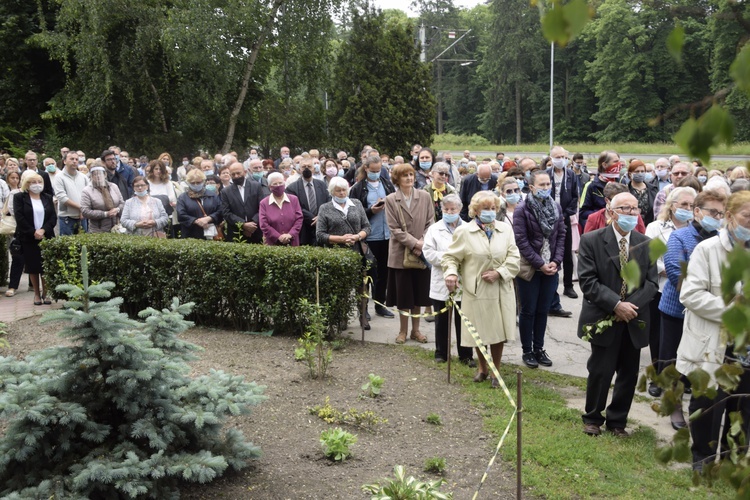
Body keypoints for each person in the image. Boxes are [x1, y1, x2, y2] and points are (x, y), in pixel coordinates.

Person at [677, 191, 750, 471]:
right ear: (729, 217)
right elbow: (691, 295)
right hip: (713, 342)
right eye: (747, 216)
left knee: (743, 406)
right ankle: (703, 459)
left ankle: (734, 458)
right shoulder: (707, 250)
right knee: (708, 402)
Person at [577, 193, 658, 437]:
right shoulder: (591, 240)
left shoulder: (646, 243)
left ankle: (617, 421)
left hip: (634, 319)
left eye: (635, 210)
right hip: (603, 315)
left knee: (628, 373)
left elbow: (651, 283)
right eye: (625, 209)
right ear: (611, 212)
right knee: (601, 371)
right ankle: (593, 417)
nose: (631, 214)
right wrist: (615, 305)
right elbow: (588, 281)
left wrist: (629, 307)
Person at [656, 189, 726, 427]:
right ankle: (674, 407)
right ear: (696, 212)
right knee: (672, 360)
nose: (716, 217)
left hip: (708, 315)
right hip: (676, 309)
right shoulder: (680, 237)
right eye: (711, 212)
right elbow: (676, 272)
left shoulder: (723, 240)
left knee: (701, 360)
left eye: (720, 213)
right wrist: (703, 295)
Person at [443, 191, 520, 387]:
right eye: (486, 208)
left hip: (501, 289)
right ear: (476, 210)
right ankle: (482, 368)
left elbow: (514, 257)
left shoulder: (505, 229)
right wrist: (451, 273)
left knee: (498, 332)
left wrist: (500, 272)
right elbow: (450, 257)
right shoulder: (464, 232)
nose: (490, 212)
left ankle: (496, 371)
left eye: (493, 208)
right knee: (479, 331)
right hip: (476, 290)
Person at [644, 186, 697, 401]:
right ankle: (658, 378)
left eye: (692, 206)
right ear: (672, 205)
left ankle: (682, 378)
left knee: (685, 337)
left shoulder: (696, 230)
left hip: (688, 291)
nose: (687, 209)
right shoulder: (656, 227)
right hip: (660, 287)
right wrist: (666, 267)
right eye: (683, 204)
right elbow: (648, 256)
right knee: (659, 338)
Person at [514, 170, 566, 368]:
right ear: (532, 187)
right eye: (542, 185)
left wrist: (556, 261)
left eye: (548, 185)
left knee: (543, 310)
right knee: (528, 310)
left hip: (550, 267)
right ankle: (527, 350)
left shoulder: (556, 207)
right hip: (530, 268)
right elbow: (522, 242)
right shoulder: (522, 209)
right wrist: (540, 264)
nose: (546, 188)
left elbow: (561, 235)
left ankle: (539, 348)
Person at [384, 163, 434, 344]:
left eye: (411, 174)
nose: (409, 178)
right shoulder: (391, 199)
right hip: (400, 255)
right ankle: (402, 331)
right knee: (404, 296)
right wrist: (415, 243)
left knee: (419, 294)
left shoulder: (425, 196)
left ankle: (416, 330)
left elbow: (431, 222)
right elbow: (394, 229)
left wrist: (423, 242)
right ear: (397, 179)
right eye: (405, 175)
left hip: (422, 253)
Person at [423, 194, 475, 366]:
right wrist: (450, 258)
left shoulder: (469, 228)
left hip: (463, 280)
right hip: (441, 280)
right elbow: (429, 253)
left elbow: (474, 252)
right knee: (442, 320)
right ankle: (441, 353)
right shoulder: (434, 229)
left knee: (464, 321)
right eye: (446, 209)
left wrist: (460, 260)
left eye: (453, 209)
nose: (449, 212)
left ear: (460, 210)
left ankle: (466, 355)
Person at [316, 176, 372, 329]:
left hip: (357, 252)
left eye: (344, 190)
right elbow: (320, 235)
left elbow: (367, 227)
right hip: (336, 255)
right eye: (338, 190)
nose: (342, 193)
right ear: (331, 192)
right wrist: (340, 239)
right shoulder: (325, 208)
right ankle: (341, 317)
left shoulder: (357, 204)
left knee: (361, 286)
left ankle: (363, 316)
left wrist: (357, 236)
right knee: (341, 288)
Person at [349, 155, 396, 319]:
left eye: (378, 170)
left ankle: (380, 304)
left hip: (387, 235)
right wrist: (371, 210)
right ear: (366, 168)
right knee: (367, 273)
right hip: (368, 236)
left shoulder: (386, 183)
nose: (376, 173)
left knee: (384, 273)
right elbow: (354, 212)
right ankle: (364, 308)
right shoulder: (358, 187)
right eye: (373, 170)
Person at [13, 173, 56, 305]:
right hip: (28, 237)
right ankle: (36, 294)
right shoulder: (19, 197)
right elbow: (19, 217)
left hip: (46, 236)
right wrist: (33, 232)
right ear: (27, 184)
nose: (37, 184)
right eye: (33, 182)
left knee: (45, 266)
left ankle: (46, 292)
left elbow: (52, 218)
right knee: (33, 266)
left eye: (39, 181)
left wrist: (43, 230)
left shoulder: (47, 197)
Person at [548, 146, 579, 299]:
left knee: (567, 253)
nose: (561, 159)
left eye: (563, 156)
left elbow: (575, 198)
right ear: (551, 158)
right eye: (557, 156)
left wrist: (565, 215)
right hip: (548, 219)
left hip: (565, 218)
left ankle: (568, 285)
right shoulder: (546, 175)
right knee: (550, 252)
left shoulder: (571, 175)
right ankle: (551, 288)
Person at [286, 159, 330, 246]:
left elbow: (328, 202)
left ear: (314, 169)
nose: (306, 169)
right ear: (299, 169)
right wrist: (313, 218)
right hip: (303, 229)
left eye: (309, 166)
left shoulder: (322, 185)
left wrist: (320, 217)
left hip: (322, 228)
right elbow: (295, 207)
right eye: (303, 167)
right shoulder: (291, 188)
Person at [220, 162, 263, 243]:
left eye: (238, 173)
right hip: (235, 233)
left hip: (256, 232)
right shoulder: (225, 192)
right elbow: (226, 213)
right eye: (233, 174)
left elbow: (262, 208)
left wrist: (252, 225)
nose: (236, 176)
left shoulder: (256, 186)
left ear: (245, 172)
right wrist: (243, 225)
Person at [579, 151, 623, 232]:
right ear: (604, 165)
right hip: (599, 230)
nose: (619, 165)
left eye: (619, 161)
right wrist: (604, 214)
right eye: (615, 162)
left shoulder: (622, 183)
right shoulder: (591, 186)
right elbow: (583, 213)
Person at [176, 169, 222, 240]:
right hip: (190, 234)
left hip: (211, 233)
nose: (195, 185)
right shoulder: (183, 197)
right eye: (192, 183)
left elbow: (220, 211)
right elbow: (181, 214)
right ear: (188, 183)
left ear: (203, 181)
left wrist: (209, 218)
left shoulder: (212, 195)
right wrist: (196, 221)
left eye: (198, 182)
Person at [259, 172, 303, 246]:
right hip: (272, 243)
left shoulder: (294, 199)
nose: (278, 185)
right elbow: (263, 224)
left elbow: (299, 219)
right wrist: (278, 237)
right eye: (275, 184)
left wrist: (290, 234)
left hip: (292, 242)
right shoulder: (264, 203)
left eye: (280, 183)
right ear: (269, 186)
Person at [53, 151, 90, 235]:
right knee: (67, 246)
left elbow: (89, 194)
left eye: (76, 159)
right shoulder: (59, 177)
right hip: (67, 217)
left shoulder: (83, 177)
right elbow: (62, 197)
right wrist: (81, 207)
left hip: (82, 217)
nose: (74, 161)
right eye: (71, 159)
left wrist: (83, 209)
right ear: (64, 161)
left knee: (83, 245)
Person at [80, 166, 125, 233]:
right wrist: (105, 214)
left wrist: (117, 209)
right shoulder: (87, 191)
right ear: (91, 176)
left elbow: (122, 203)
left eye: (100, 174)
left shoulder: (114, 186)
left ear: (105, 175)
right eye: (95, 174)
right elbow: (85, 211)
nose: (98, 176)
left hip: (116, 227)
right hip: (98, 230)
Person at [3, 171, 22, 297]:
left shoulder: (23, 192)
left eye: (17, 178)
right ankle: (13, 286)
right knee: (17, 257)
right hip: (16, 229)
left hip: (28, 229)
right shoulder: (12, 193)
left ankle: (33, 285)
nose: (15, 180)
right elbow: (11, 210)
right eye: (12, 178)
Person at [627, 160, 658, 226]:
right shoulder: (625, 189)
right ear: (630, 174)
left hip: (649, 225)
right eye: (637, 171)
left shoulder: (653, 189)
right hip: (631, 225)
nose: (640, 173)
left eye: (642, 171)